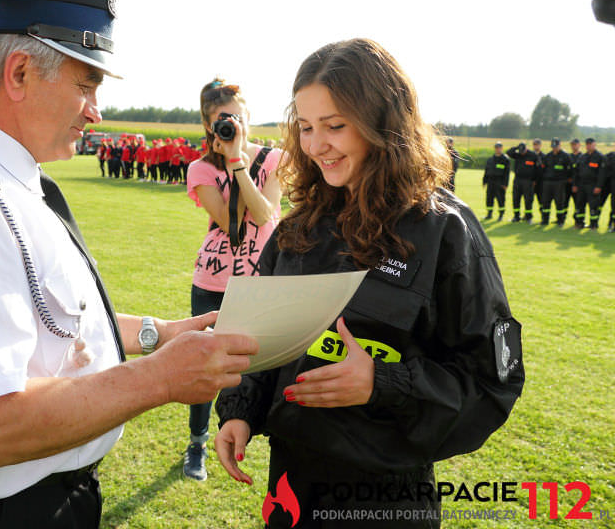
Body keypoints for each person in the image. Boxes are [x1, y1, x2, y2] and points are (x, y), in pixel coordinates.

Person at [0, 0, 258, 529]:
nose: (95, 112)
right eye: (86, 84)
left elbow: (46, 316)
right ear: (20, 73)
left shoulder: (9, 180)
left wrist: (159, 334)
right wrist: (159, 379)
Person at [214, 39, 523, 529]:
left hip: (386, 497)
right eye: (308, 127)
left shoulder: (445, 231)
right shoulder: (297, 230)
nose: (317, 146)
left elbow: (490, 382)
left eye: (335, 126)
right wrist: (240, 410)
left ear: (384, 121)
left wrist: (382, 384)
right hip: (293, 487)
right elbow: (261, 341)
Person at [183, 78, 282, 481]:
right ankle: (197, 442)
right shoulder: (200, 168)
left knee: (259, 364)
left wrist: (239, 160)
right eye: (222, 120)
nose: (231, 125)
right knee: (205, 366)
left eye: (237, 118)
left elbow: (264, 215)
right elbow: (229, 224)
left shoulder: (274, 159)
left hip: (258, 279)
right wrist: (229, 161)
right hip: (213, 279)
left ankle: (251, 432)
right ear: (209, 126)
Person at [572, 137, 607, 229]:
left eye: (590, 144)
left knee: (593, 206)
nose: (588, 146)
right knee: (579, 204)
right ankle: (579, 223)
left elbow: (602, 174)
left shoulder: (600, 157)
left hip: (593, 185)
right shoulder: (583, 157)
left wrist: (599, 186)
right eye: (587, 144)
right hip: (581, 185)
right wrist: (575, 184)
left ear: (594, 144)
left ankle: (594, 224)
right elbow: (576, 172)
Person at [537, 138, 573, 227]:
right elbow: (543, 168)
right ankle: (545, 220)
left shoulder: (565, 156)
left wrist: (568, 179)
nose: (554, 149)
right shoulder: (548, 156)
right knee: (545, 202)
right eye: (553, 147)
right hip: (547, 182)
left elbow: (570, 169)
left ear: (560, 145)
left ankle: (560, 220)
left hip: (559, 182)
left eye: (556, 147)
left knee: (559, 202)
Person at [506, 141, 537, 222]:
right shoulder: (517, 154)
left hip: (528, 181)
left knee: (528, 199)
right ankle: (516, 216)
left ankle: (528, 217)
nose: (522, 153)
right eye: (520, 151)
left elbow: (537, 169)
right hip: (517, 180)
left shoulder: (533, 155)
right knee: (516, 198)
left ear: (526, 149)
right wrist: (516, 147)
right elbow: (508, 152)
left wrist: (534, 180)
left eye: (523, 151)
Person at [482, 141, 510, 220]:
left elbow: (507, 173)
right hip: (491, 182)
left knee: (500, 199)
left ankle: (501, 215)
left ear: (502, 148)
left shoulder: (505, 159)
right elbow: (486, 171)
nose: (498, 149)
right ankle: (489, 214)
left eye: (499, 148)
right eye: (496, 148)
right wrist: (484, 181)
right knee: (489, 198)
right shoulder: (490, 159)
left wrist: (505, 184)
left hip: (500, 182)